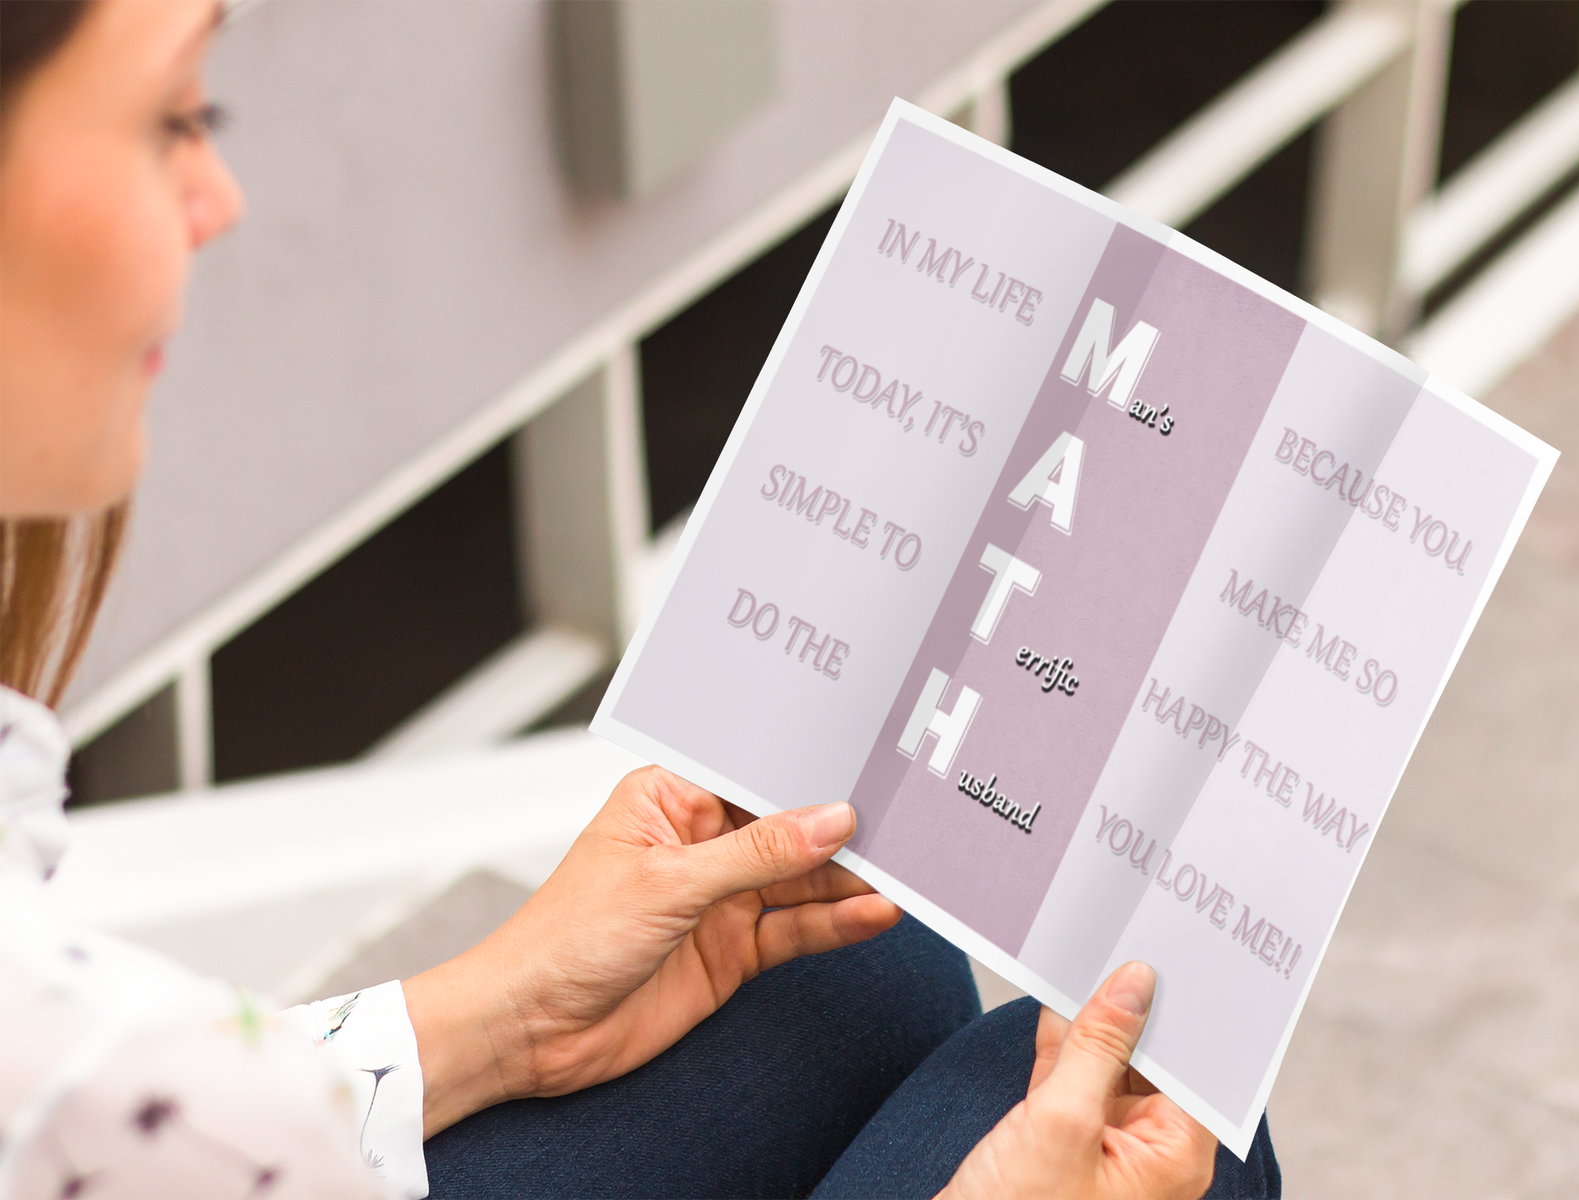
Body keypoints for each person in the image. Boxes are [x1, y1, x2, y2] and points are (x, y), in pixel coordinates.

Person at [0, 0, 1281, 1196]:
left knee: (839, 966)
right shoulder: (81, 1064)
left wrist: (496, 1019)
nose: (218, 199)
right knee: (1138, 1123)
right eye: (173, 117)